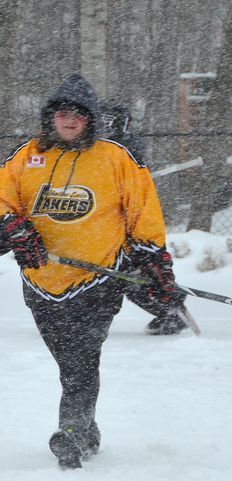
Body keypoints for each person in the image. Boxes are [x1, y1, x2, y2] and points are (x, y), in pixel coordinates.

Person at [0, 73, 183, 469]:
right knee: (68, 360)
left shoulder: (115, 158)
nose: (69, 121)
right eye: (62, 114)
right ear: (50, 117)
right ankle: (86, 430)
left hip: (98, 279)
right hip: (41, 281)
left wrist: (154, 261)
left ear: (91, 119)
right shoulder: (28, 155)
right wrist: (12, 228)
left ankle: (71, 431)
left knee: (80, 358)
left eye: (78, 114)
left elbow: (144, 212)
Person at [101, 98, 189, 335]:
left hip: (126, 221)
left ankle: (169, 307)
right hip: (100, 222)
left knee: (131, 273)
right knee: (110, 274)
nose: (104, 125)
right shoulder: (92, 145)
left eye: (108, 121)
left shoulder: (126, 145)